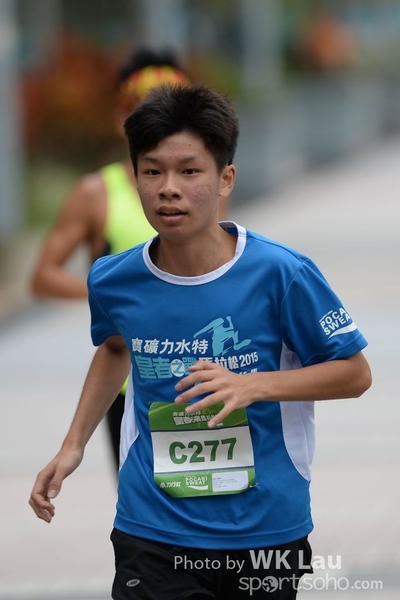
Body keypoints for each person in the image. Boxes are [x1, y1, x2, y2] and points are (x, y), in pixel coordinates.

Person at [29, 83, 372, 599]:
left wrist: (251, 386)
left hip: (264, 529)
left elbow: (354, 373)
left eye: (189, 171)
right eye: (152, 172)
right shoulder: (114, 278)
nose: (169, 188)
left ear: (225, 178)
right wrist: (72, 445)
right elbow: (116, 348)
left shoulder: (282, 273)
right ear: (135, 178)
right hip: (152, 526)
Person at [29, 48, 201, 472]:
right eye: (149, 110)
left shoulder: (203, 186)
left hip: (198, 368)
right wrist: (116, 298)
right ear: (122, 118)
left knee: (207, 488)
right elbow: (43, 277)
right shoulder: (96, 193)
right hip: (128, 382)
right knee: (140, 496)